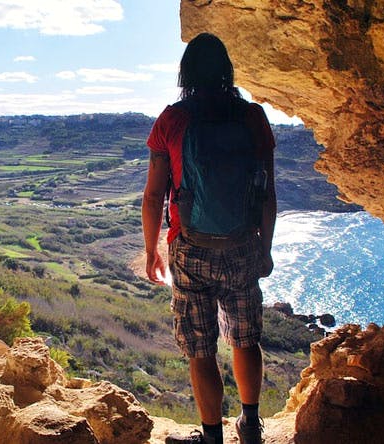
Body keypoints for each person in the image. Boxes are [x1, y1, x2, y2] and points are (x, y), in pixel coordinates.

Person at [141, 33, 276, 444]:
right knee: (245, 336)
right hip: (242, 247)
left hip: (191, 250)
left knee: (200, 347)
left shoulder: (172, 119)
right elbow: (267, 193)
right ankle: (250, 425)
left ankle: (212, 436)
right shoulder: (252, 117)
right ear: (227, 71)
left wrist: (152, 251)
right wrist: (265, 250)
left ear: (186, 73)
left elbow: (153, 195)